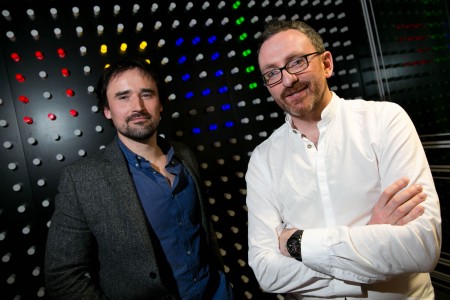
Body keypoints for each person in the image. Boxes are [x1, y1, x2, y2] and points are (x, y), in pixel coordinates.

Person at [246, 19, 441, 299]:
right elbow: (267, 272)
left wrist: (299, 245)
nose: (287, 79)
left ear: (326, 64)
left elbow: (421, 247)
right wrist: (372, 235)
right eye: (272, 73)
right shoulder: (263, 161)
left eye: (297, 62)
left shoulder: (386, 121)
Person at [45, 59, 234, 300]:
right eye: (123, 97)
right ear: (107, 110)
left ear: (160, 104)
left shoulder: (185, 154)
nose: (138, 106)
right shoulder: (82, 179)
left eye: (147, 94)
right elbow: (62, 276)